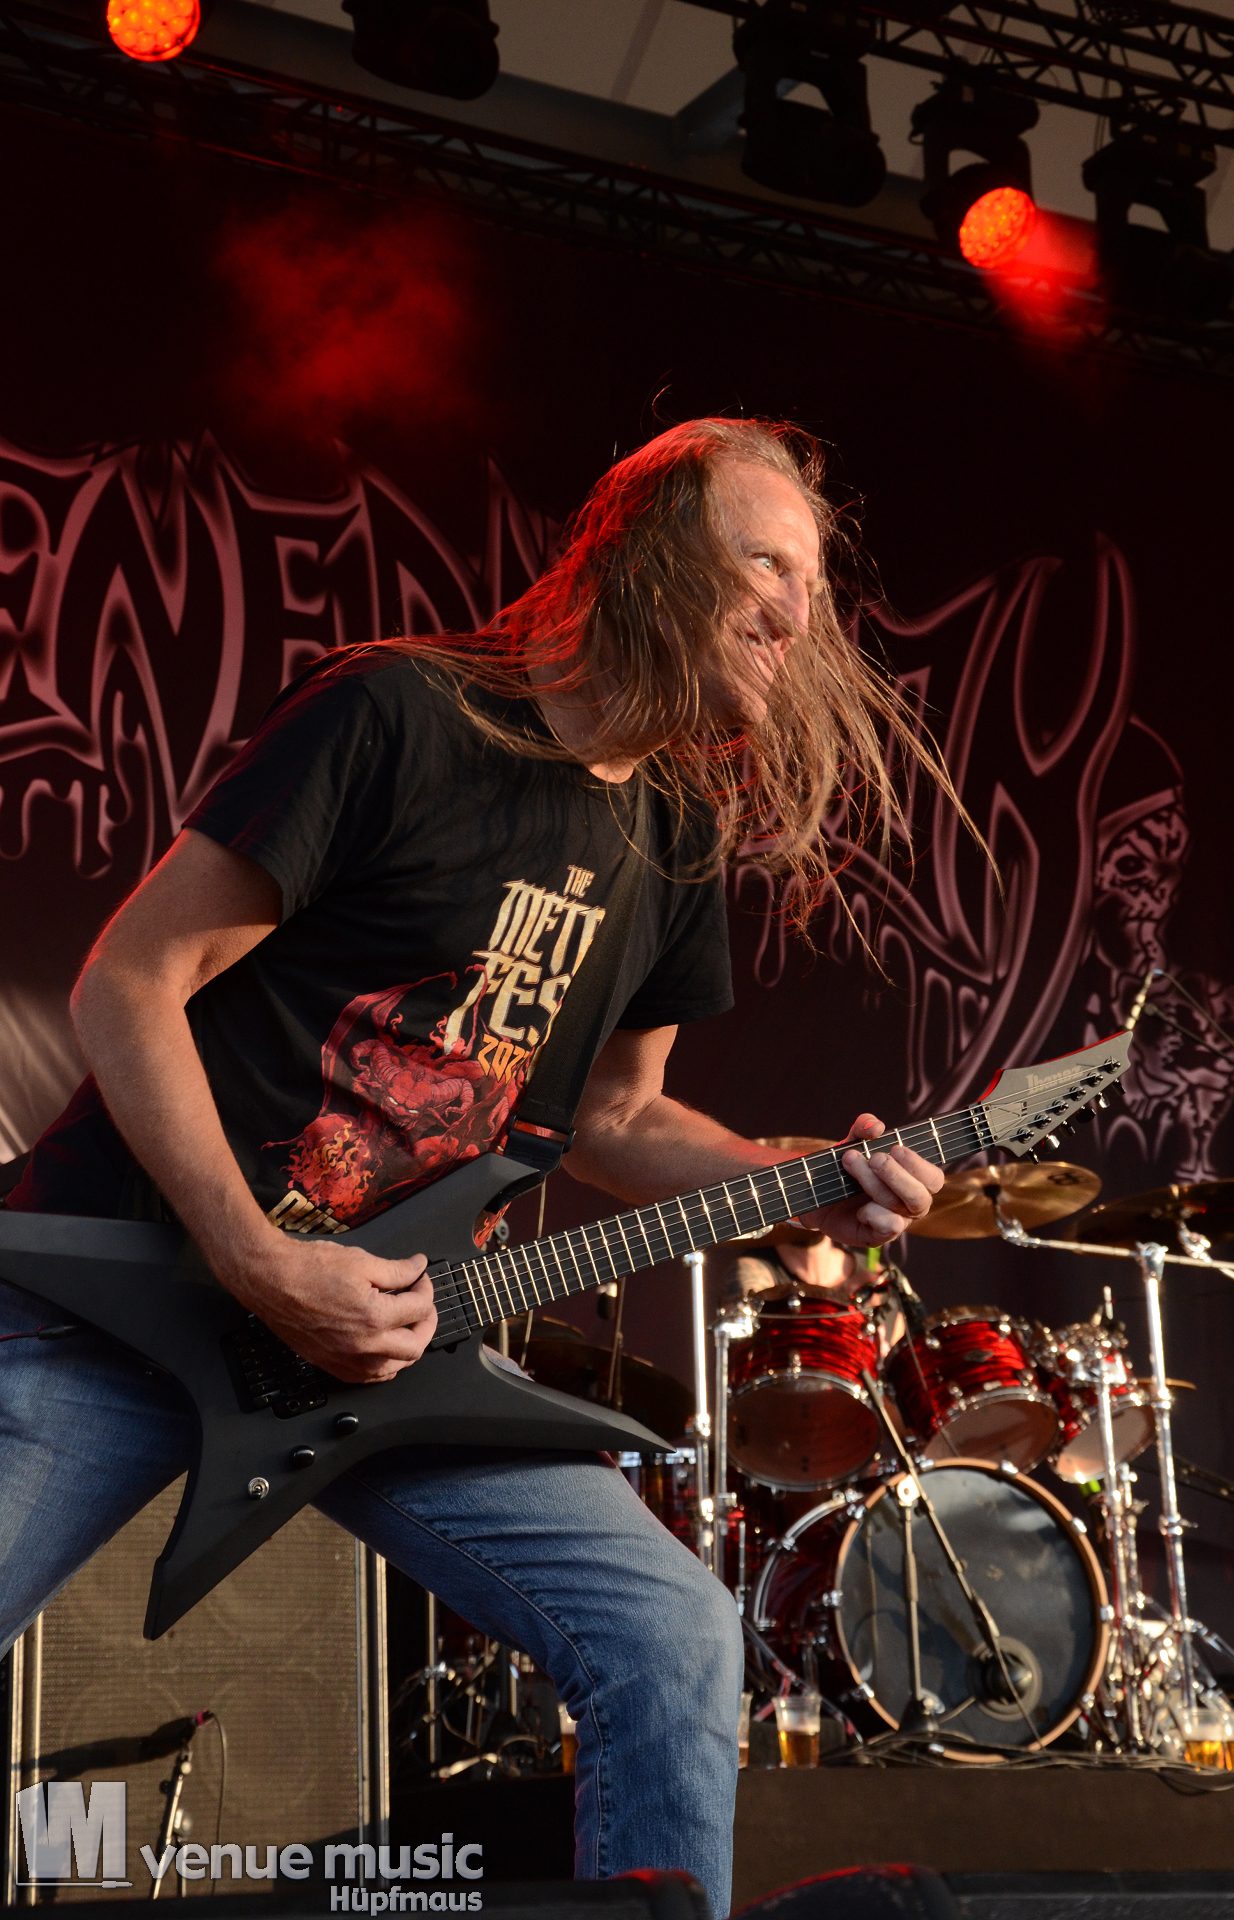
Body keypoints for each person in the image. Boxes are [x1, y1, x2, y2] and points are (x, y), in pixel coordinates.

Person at [0, 418, 960, 1918]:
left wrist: (794, 1180)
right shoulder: (398, 713)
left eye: (815, 586)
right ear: (645, 556)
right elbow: (132, 979)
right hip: (126, 1293)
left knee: (671, 1637)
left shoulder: (675, 832)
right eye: (765, 564)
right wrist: (258, 1256)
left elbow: (620, 1119)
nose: (797, 614)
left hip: (378, 1354)